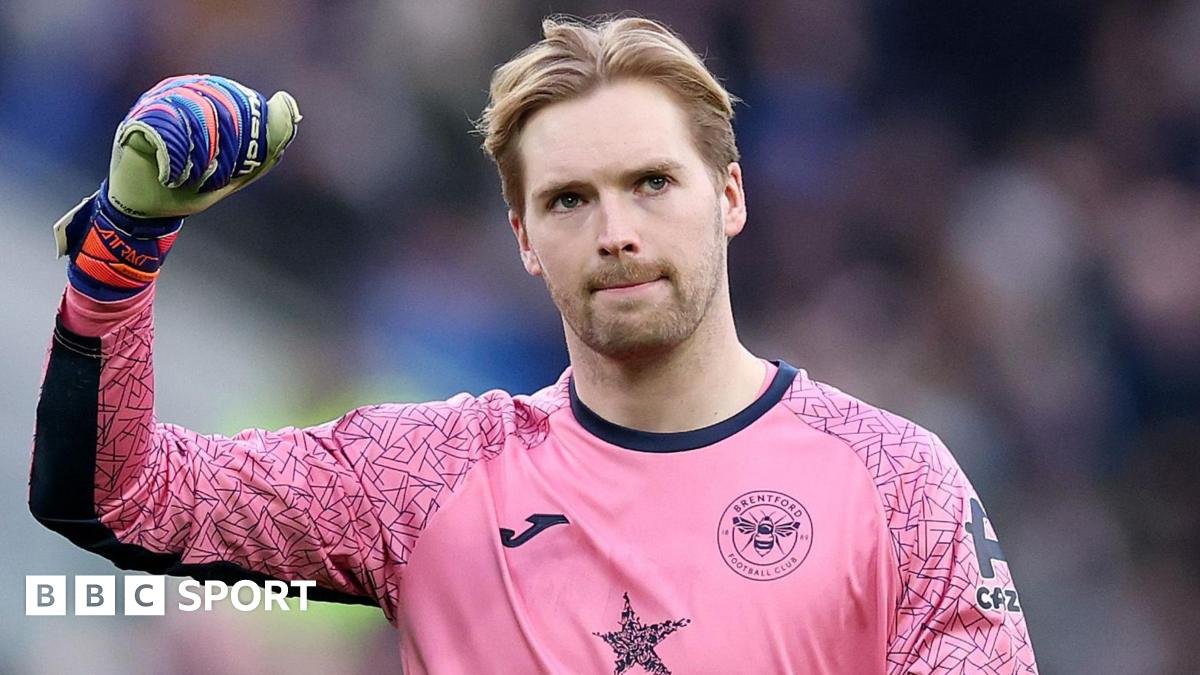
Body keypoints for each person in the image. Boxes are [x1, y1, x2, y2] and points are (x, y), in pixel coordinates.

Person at [29, 15, 1038, 674]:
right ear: (524, 239)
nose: (615, 231)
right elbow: (114, 498)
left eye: (652, 182)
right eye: (567, 199)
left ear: (729, 195)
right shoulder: (423, 479)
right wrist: (121, 251)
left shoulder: (895, 484)